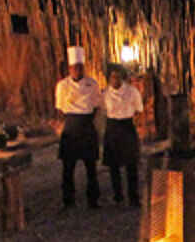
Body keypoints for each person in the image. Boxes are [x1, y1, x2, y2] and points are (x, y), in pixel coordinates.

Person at [55, 46, 103, 208]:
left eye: (80, 67)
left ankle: (93, 200)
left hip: (87, 125)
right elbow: (60, 108)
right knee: (68, 167)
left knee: (91, 167)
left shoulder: (92, 84)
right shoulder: (62, 86)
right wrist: (70, 121)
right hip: (71, 127)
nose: (77, 70)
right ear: (69, 69)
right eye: (75, 68)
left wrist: (89, 120)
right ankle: (68, 201)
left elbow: (97, 105)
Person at [102, 64, 144, 207]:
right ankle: (117, 196)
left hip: (127, 126)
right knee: (114, 166)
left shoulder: (132, 92)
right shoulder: (105, 94)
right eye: (112, 77)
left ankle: (133, 197)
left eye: (118, 77)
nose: (115, 80)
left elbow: (139, 110)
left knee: (131, 164)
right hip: (112, 127)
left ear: (122, 77)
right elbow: (102, 110)